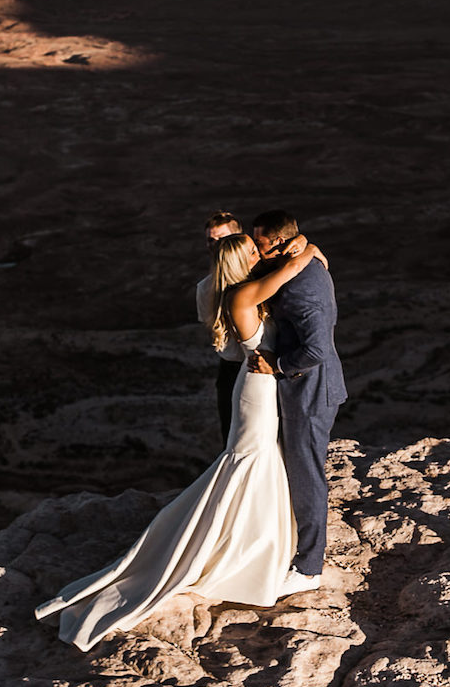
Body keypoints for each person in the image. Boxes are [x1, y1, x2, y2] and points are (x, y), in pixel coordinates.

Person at [36, 234, 323, 649]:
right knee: (250, 458)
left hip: (263, 385)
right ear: (242, 262)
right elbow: (293, 268)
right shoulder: (243, 294)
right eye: (253, 251)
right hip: (258, 391)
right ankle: (235, 546)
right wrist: (309, 248)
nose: (261, 254)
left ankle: (252, 538)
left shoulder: (242, 289)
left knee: (259, 458)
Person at [244, 210, 345, 599]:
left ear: (284, 244)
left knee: (306, 474)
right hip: (305, 389)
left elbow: (317, 348)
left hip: (309, 390)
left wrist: (278, 365)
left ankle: (308, 568)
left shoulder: (303, 285)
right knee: (299, 468)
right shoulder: (298, 264)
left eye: (262, 246)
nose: (257, 251)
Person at [194, 211, 246, 437]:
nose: (215, 245)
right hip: (232, 367)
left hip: (267, 365)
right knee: (231, 434)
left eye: (222, 239)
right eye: (210, 240)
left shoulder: (259, 276)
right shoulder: (205, 289)